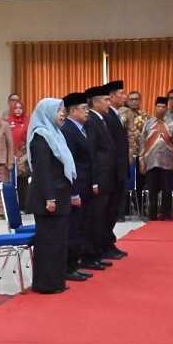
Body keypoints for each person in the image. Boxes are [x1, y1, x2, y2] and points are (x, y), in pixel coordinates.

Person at [27, 97, 78, 294]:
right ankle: (46, 284)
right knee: (48, 243)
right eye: (58, 111)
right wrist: (49, 197)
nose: (63, 114)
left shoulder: (56, 134)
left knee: (58, 241)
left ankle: (56, 281)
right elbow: (43, 171)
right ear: (47, 113)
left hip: (60, 195)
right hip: (48, 199)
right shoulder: (41, 137)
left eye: (63, 110)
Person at [60, 92, 97, 282]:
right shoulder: (68, 130)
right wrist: (73, 192)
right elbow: (70, 164)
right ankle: (69, 266)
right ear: (73, 111)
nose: (87, 112)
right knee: (73, 228)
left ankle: (76, 263)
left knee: (82, 226)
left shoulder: (82, 128)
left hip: (85, 185)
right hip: (76, 187)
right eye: (83, 109)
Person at [84, 86, 116, 270]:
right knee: (94, 217)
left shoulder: (102, 120)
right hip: (99, 177)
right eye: (106, 100)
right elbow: (93, 152)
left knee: (101, 216)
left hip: (106, 176)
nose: (109, 103)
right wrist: (95, 179)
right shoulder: (92, 121)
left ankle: (97, 252)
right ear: (95, 102)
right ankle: (91, 255)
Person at [100, 80, 130, 256]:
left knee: (115, 208)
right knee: (109, 209)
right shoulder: (107, 116)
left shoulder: (116, 114)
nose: (124, 96)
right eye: (121, 93)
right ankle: (105, 244)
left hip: (120, 169)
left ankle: (108, 242)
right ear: (111, 96)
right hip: (112, 171)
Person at [140, 96, 173, 220]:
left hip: (167, 161)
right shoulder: (148, 123)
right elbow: (142, 142)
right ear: (155, 107)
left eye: (163, 107)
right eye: (159, 106)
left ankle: (166, 214)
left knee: (167, 190)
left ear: (167, 108)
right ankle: (152, 215)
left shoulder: (172, 123)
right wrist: (141, 160)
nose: (161, 109)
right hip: (151, 161)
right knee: (152, 190)